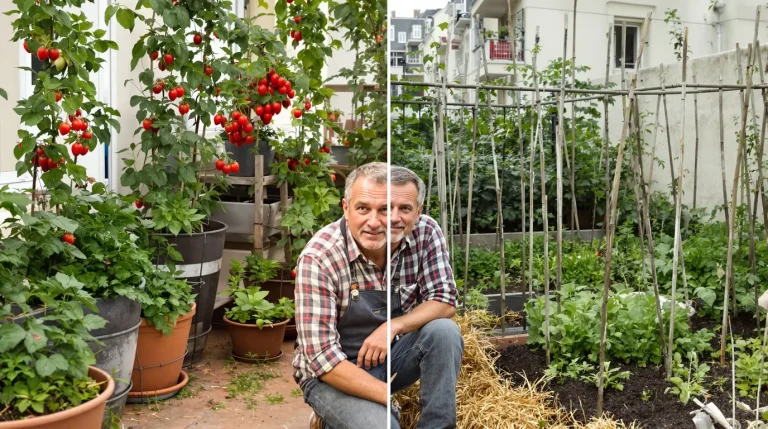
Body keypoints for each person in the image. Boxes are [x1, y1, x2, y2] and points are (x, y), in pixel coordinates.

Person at [293, 162, 464, 429]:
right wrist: (386, 399)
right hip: (332, 375)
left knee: (444, 332)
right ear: (345, 208)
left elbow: (445, 300)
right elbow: (322, 358)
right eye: (363, 208)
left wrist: (392, 327)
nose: (375, 222)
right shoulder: (320, 257)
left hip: (389, 358)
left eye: (385, 209)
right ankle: (333, 415)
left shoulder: (424, 232)